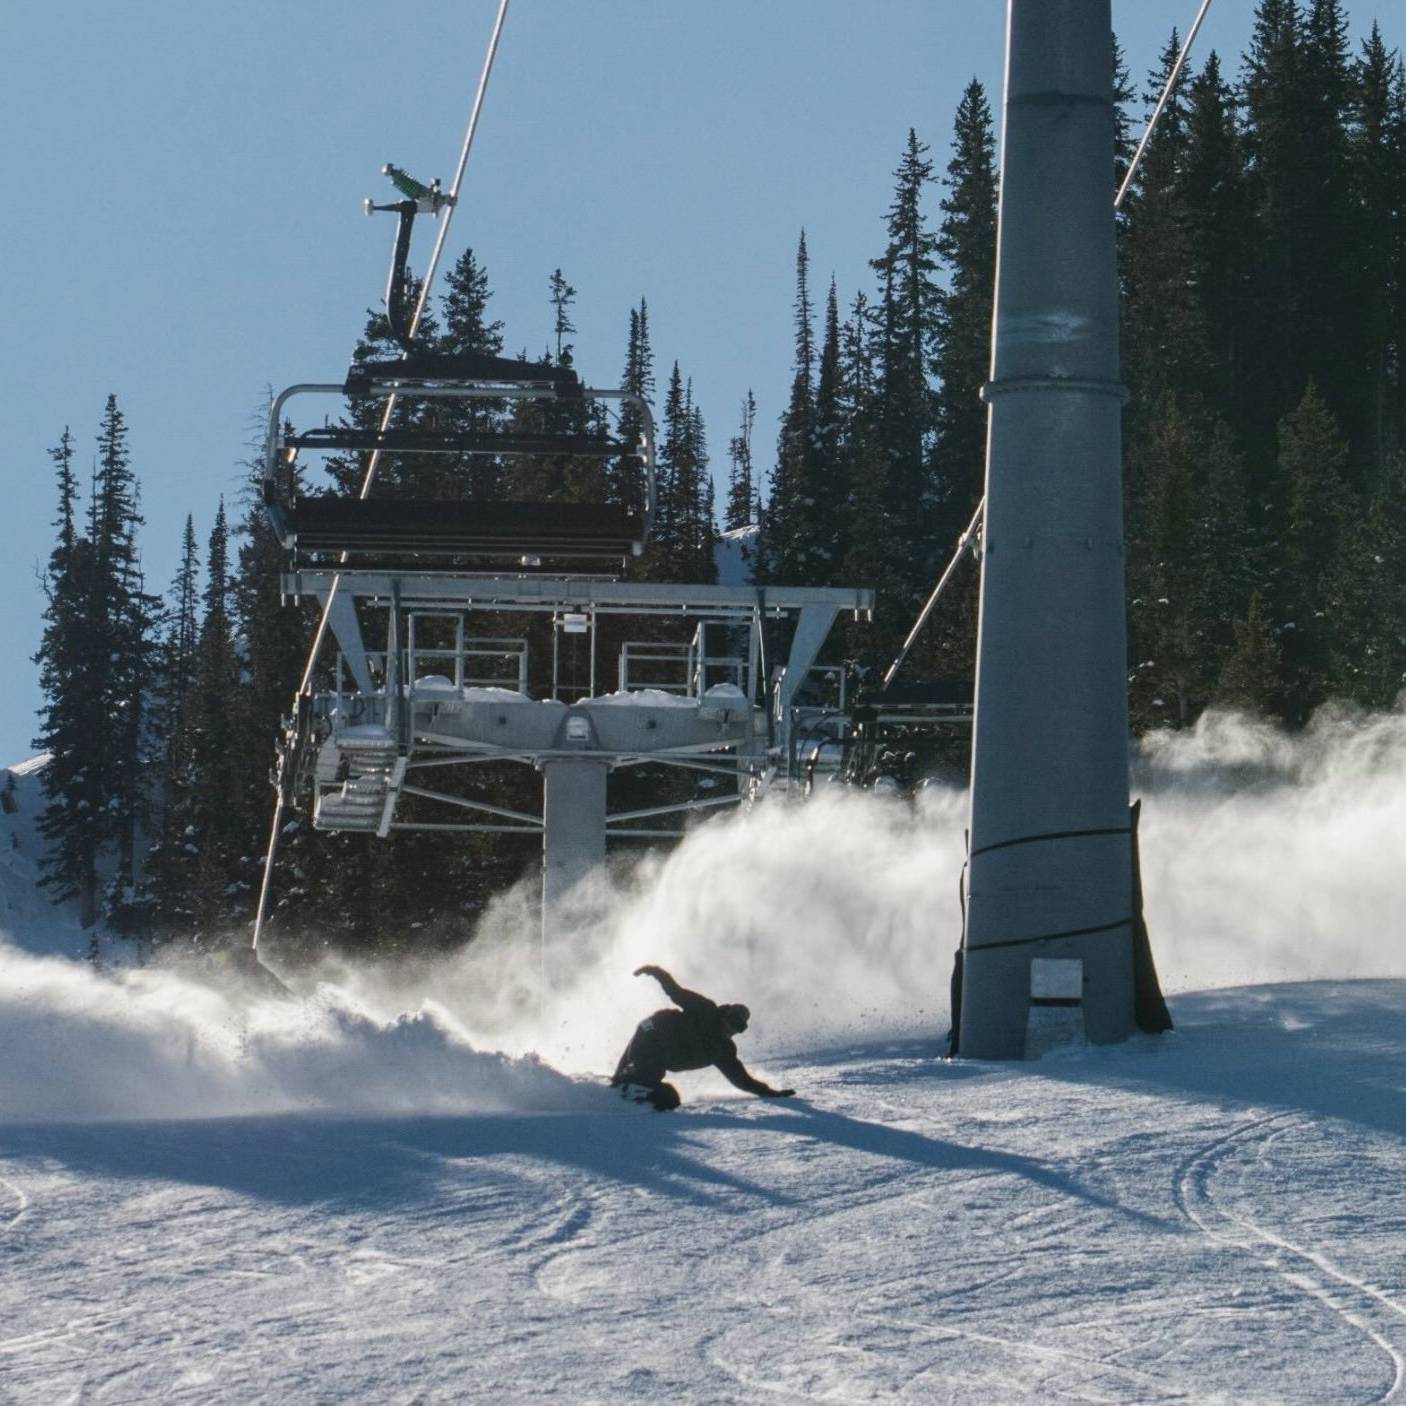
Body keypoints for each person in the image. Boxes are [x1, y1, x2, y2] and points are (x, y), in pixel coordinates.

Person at [611, 964, 796, 1111]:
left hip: (664, 1054)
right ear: (725, 1016)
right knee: (649, 1068)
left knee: (670, 1099)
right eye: (732, 1022)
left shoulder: (723, 1050)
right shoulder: (705, 1010)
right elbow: (675, 992)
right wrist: (656, 971)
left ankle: (629, 1091)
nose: (732, 1029)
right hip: (652, 1030)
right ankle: (623, 1084)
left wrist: (770, 1092)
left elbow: (742, 1080)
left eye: (739, 1028)